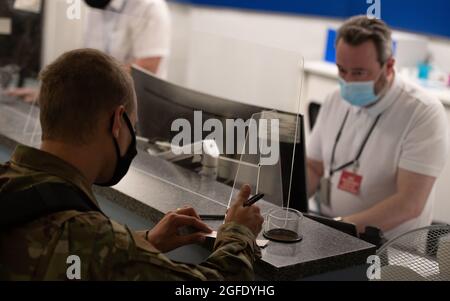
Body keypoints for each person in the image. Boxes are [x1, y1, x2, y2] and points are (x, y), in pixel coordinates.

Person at [0, 49, 264, 281]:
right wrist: (238, 232)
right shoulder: (95, 241)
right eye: (132, 125)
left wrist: (143, 244)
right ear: (117, 122)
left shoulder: (10, 182)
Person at [306, 16, 449, 239]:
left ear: (389, 66)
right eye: (342, 70)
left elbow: (409, 203)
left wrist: (339, 228)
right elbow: (314, 167)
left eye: (359, 73)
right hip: (329, 231)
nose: (348, 81)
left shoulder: (423, 112)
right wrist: (285, 206)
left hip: (389, 248)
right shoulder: (335, 99)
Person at [6, 0, 171, 102]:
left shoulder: (150, 7)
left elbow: (146, 68)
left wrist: (67, 94)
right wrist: (54, 95)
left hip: (136, 110)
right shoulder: (96, 8)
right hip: (100, 107)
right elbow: (89, 64)